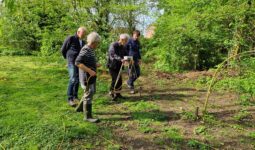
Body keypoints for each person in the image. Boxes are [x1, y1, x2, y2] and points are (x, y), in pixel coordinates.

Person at [75, 32, 101, 123]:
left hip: (91, 76)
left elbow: (86, 61)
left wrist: (95, 64)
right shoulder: (85, 49)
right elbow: (78, 62)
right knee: (89, 93)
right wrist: (90, 71)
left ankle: (79, 108)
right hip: (86, 76)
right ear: (94, 42)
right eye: (97, 43)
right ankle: (87, 116)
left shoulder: (90, 49)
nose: (98, 45)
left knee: (89, 92)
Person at [61, 27, 86, 107]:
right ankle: (70, 98)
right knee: (73, 79)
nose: (84, 35)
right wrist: (68, 59)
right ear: (78, 32)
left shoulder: (83, 41)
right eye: (83, 33)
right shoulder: (71, 38)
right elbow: (63, 49)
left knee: (77, 80)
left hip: (79, 63)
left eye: (85, 33)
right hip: (72, 62)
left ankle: (75, 96)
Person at [107, 34, 130, 101]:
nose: (126, 42)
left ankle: (118, 94)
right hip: (112, 65)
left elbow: (126, 54)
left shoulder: (123, 47)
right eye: (125, 41)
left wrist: (129, 59)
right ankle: (111, 94)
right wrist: (121, 59)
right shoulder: (113, 45)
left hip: (119, 66)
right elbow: (112, 54)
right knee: (115, 79)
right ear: (122, 40)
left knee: (119, 80)